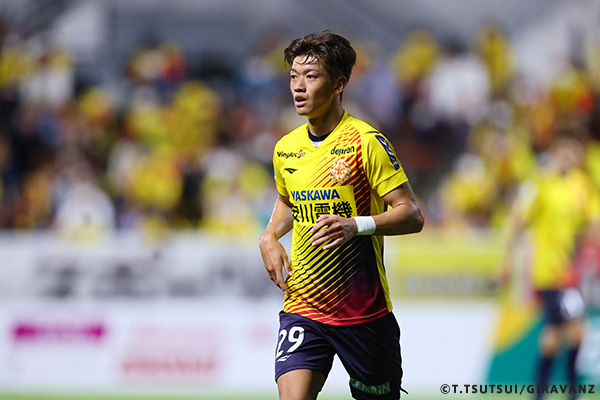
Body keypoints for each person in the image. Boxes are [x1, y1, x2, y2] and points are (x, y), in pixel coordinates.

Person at [258, 31, 424, 400]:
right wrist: (269, 235)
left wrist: (356, 226)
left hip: (363, 313)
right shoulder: (286, 148)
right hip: (304, 306)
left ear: (339, 84)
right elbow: (288, 200)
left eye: (311, 76)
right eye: (293, 76)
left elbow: (412, 214)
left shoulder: (365, 142)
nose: (298, 86)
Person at [499, 132, 600, 400]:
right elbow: (519, 221)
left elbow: (593, 223)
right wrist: (506, 260)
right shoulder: (540, 184)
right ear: (555, 154)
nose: (569, 156)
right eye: (564, 150)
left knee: (559, 335)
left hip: (569, 272)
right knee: (571, 331)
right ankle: (568, 392)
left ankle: (544, 392)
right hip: (548, 272)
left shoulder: (581, 185)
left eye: (573, 151)